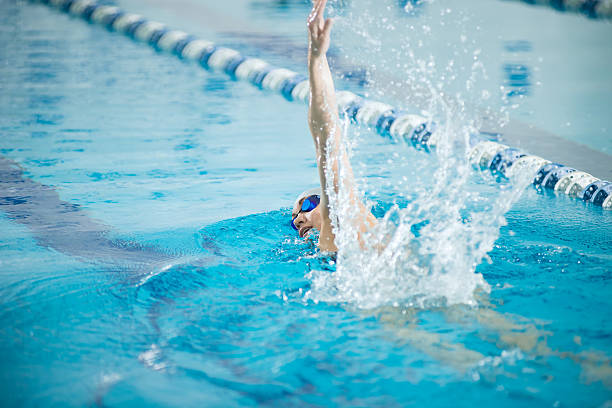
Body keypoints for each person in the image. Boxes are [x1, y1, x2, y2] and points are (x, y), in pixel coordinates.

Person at [291, 0, 376, 252]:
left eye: (307, 205)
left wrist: (316, 59)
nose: (298, 219)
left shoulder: (345, 213)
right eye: (294, 219)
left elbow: (326, 137)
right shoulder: (330, 244)